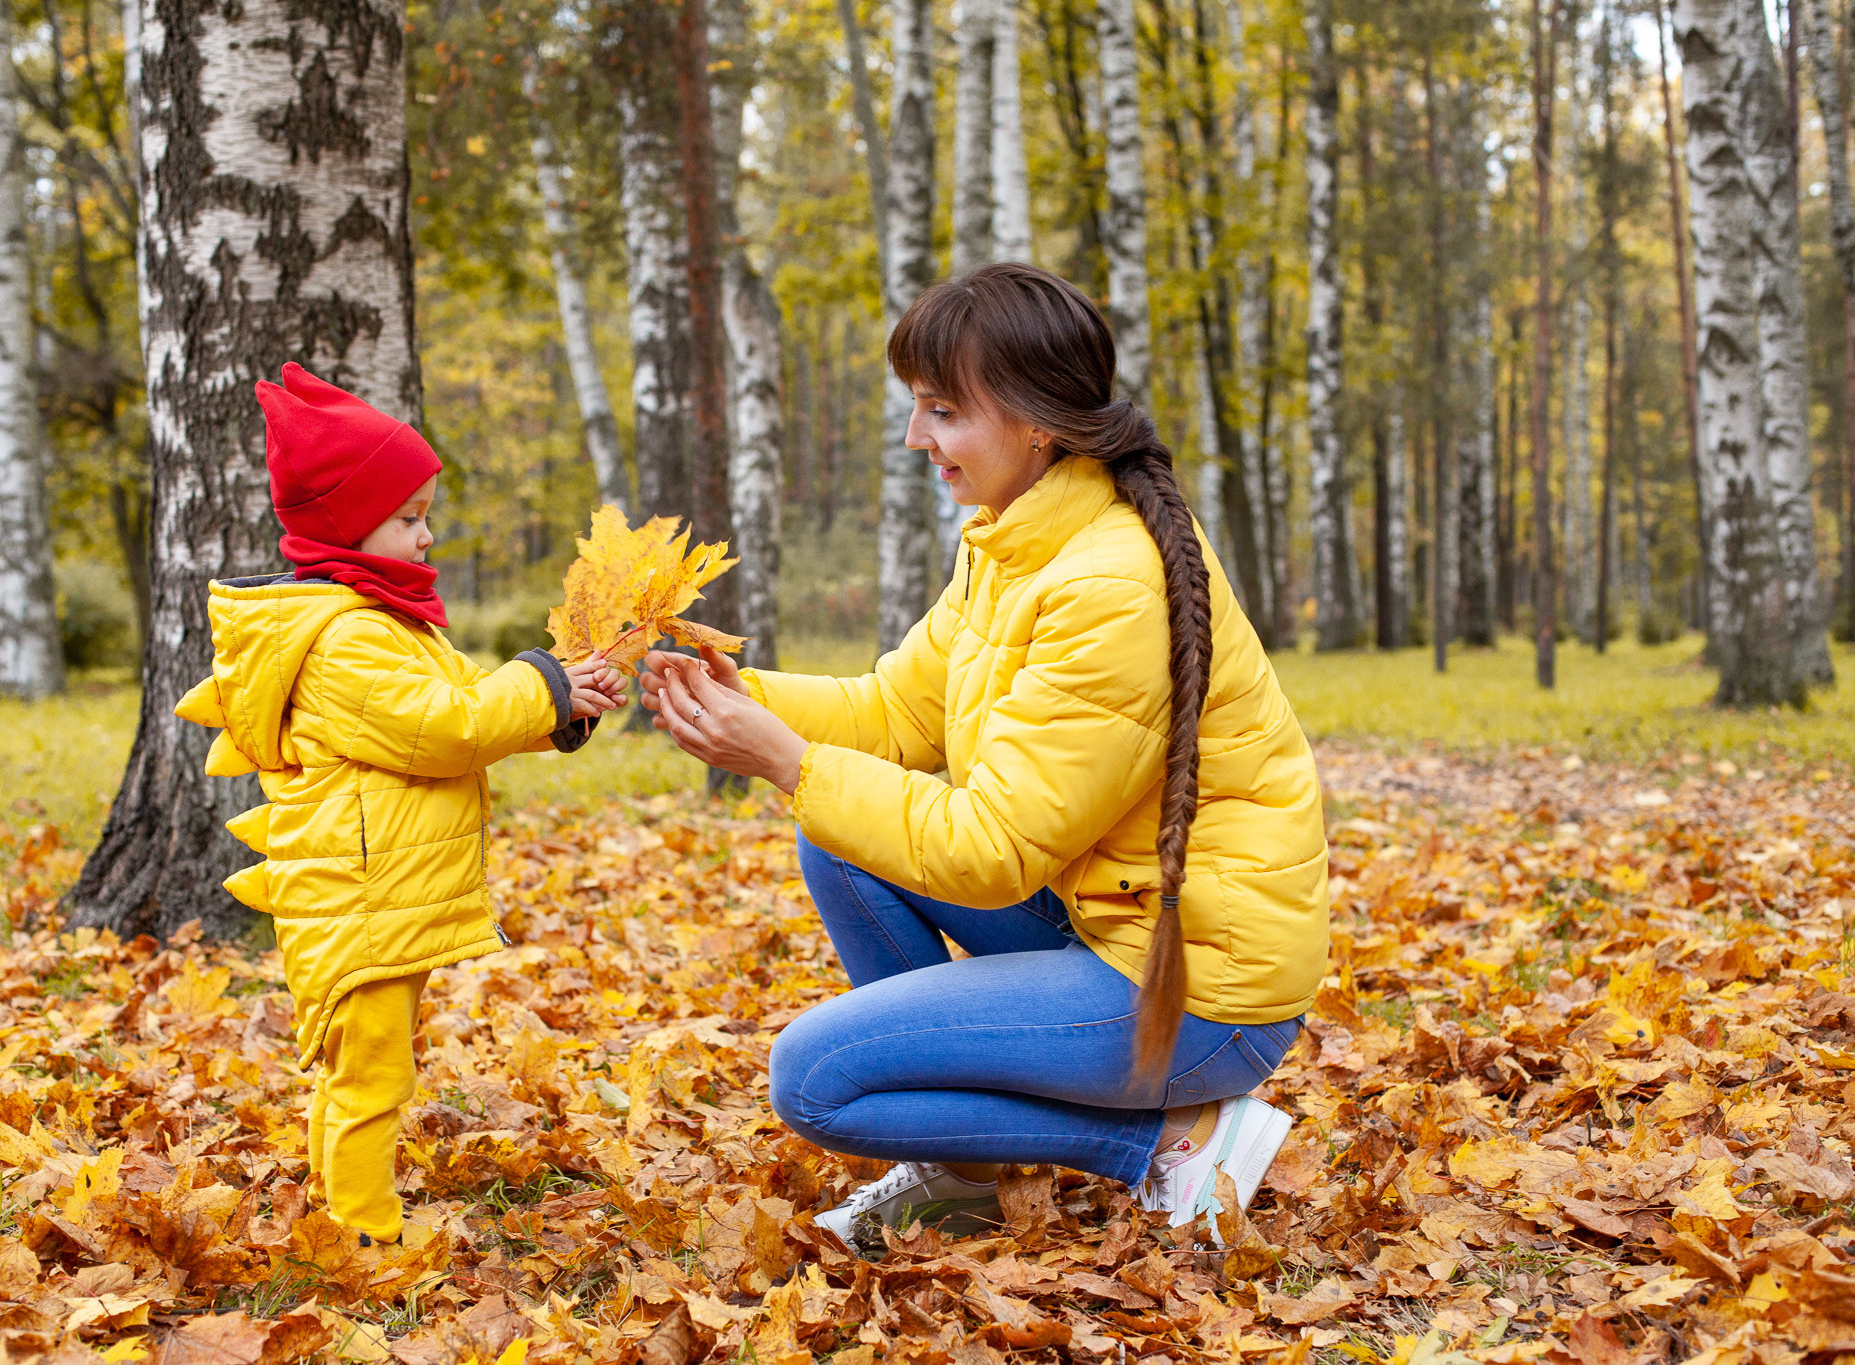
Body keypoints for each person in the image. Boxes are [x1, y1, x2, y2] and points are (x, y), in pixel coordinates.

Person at [638, 264, 1327, 1248]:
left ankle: (1171, 1142)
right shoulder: (1012, 542)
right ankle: (961, 1174)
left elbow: (990, 849)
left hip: (1199, 994)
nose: (918, 437)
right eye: (918, 409)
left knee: (817, 1083)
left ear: (1034, 420)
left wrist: (787, 762)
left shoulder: (1105, 585)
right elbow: (892, 712)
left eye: (941, 411)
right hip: (1108, 914)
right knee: (841, 842)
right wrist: (734, 695)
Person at [175, 363, 626, 1246]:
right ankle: (361, 1230)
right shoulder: (342, 641)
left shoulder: (390, 623)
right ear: (347, 522)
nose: (427, 536)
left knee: (373, 1062)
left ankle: (340, 1206)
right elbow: (446, 728)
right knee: (371, 1071)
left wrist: (560, 706)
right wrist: (542, 684)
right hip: (357, 899)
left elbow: (472, 706)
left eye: (427, 515)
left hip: (384, 893)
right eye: (409, 518)